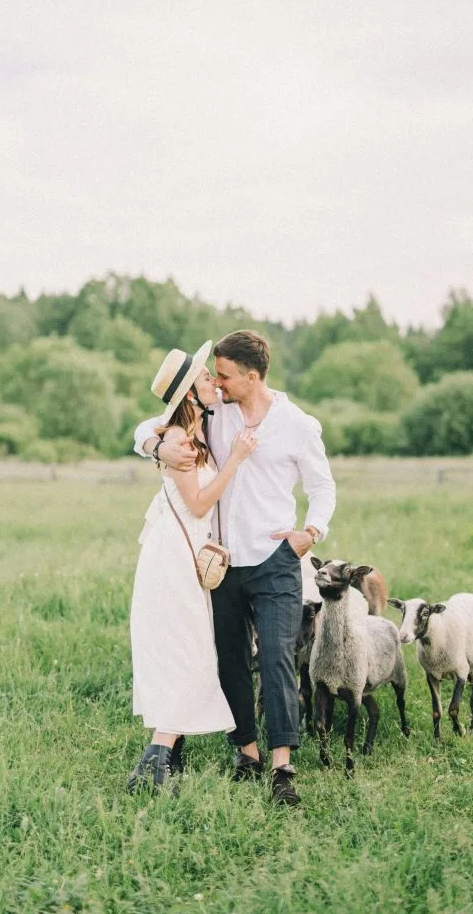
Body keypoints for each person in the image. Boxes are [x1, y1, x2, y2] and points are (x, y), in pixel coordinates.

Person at [135, 330, 336, 806]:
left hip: (275, 559)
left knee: (277, 657)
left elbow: (322, 487)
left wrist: (311, 532)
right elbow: (152, 423)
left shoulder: (297, 424)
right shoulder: (215, 411)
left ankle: (282, 767)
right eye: (214, 376)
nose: (218, 382)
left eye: (224, 375)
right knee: (231, 660)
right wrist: (156, 447)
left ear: (252, 376)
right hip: (221, 563)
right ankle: (247, 754)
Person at [127, 340, 257, 792]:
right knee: (189, 650)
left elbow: (146, 429)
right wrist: (235, 460)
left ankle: (159, 761)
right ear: (189, 393)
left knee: (189, 649)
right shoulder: (180, 440)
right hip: (174, 557)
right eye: (204, 378)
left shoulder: (195, 429)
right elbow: (199, 503)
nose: (213, 382)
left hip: (187, 553)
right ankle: (155, 763)